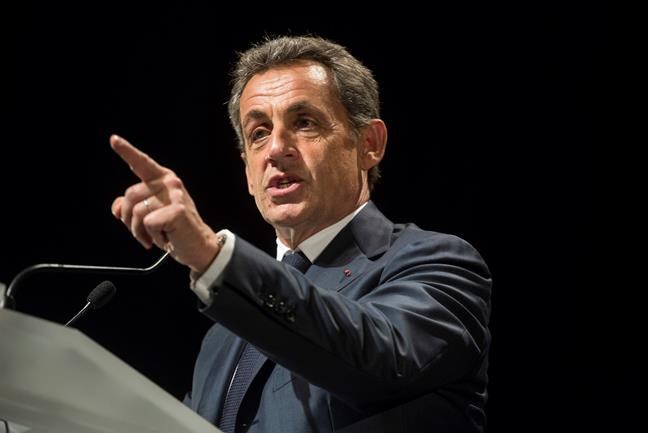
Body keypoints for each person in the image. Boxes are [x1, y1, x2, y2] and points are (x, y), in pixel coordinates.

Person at [110, 35, 491, 433]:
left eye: (304, 123)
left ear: (369, 144)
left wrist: (212, 256)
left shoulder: (438, 264)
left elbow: (381, 357)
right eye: (259, 133)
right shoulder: (221, 340)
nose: (276, 149)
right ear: (248, 171)